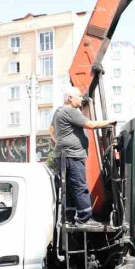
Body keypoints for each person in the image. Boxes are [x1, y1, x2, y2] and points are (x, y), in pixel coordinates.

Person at [49, 87, 115, 225]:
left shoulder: (58, 111)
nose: (82, 99)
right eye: (79, 96)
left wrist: (60, 142)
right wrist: (109, 122)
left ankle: (69, 217)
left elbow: (51, 130)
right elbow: (90, 125)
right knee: (79, 186)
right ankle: (85, 218)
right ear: (70, 98)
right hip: (72, 156)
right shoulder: (70, 111)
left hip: (63, 155)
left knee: (69, 188)